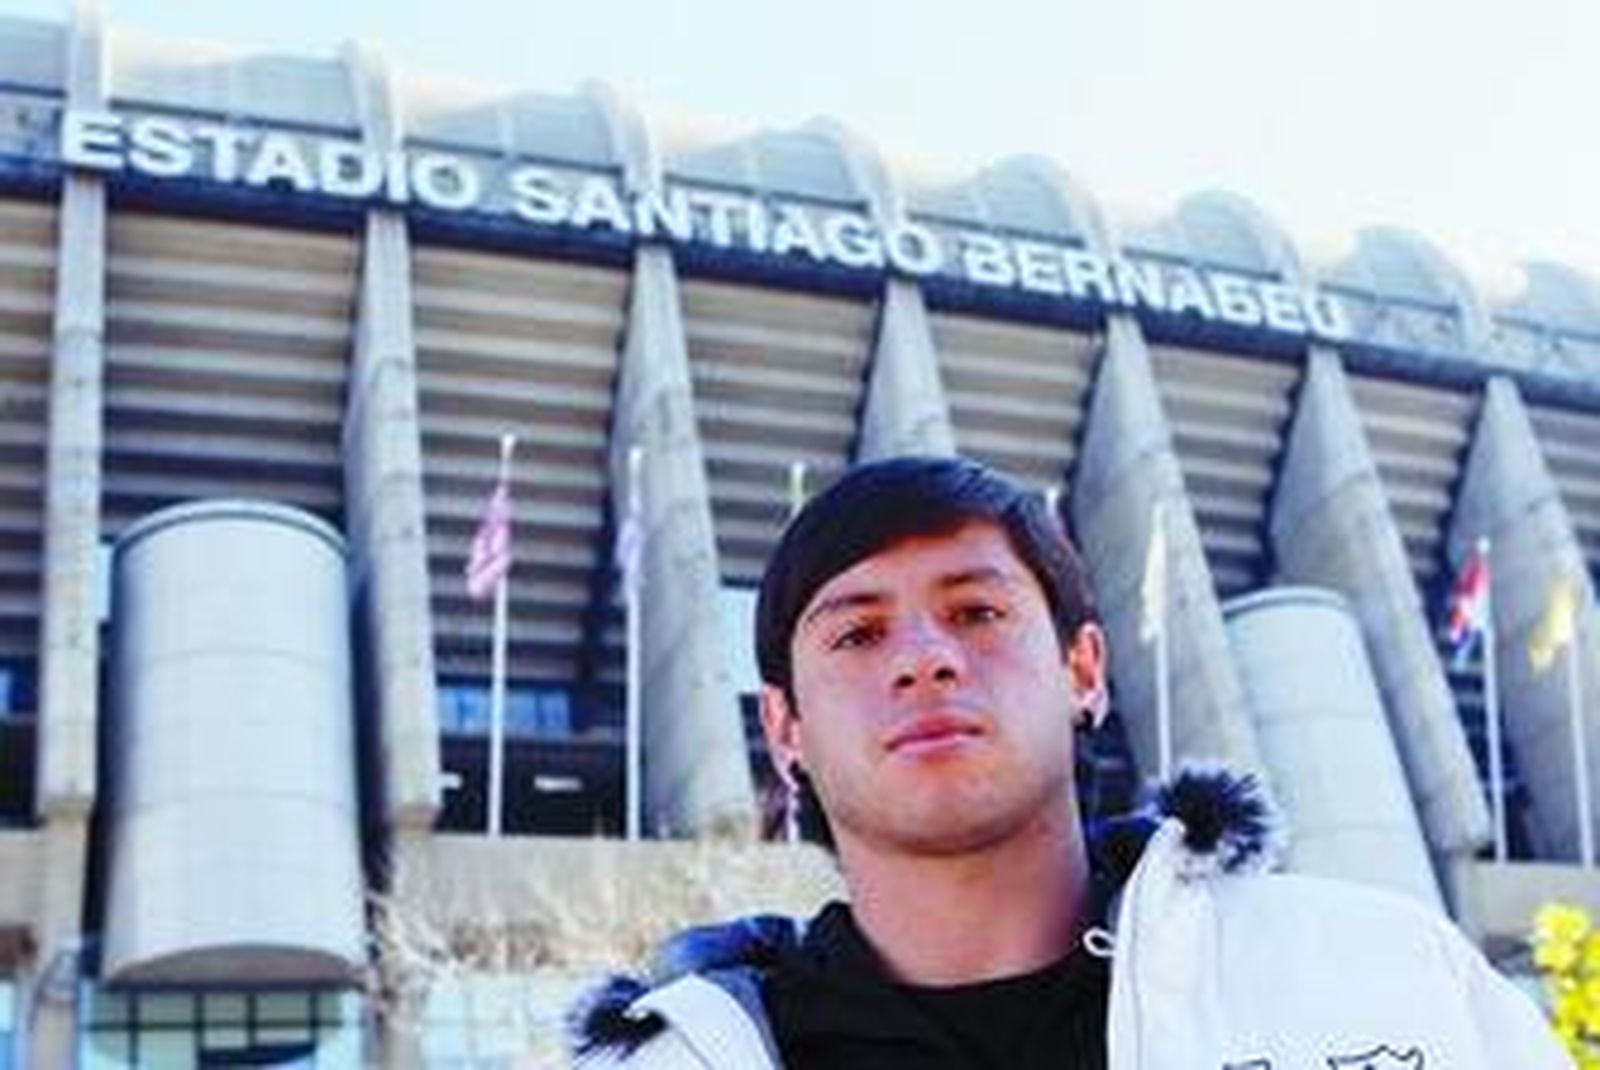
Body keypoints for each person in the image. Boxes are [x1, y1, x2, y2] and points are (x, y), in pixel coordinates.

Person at [573, 455, 1570, 1069]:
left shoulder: (1373, 971)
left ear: (1083, 668)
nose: (925, 656)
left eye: (977, 610)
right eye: (857, 634)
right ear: (784, 728)